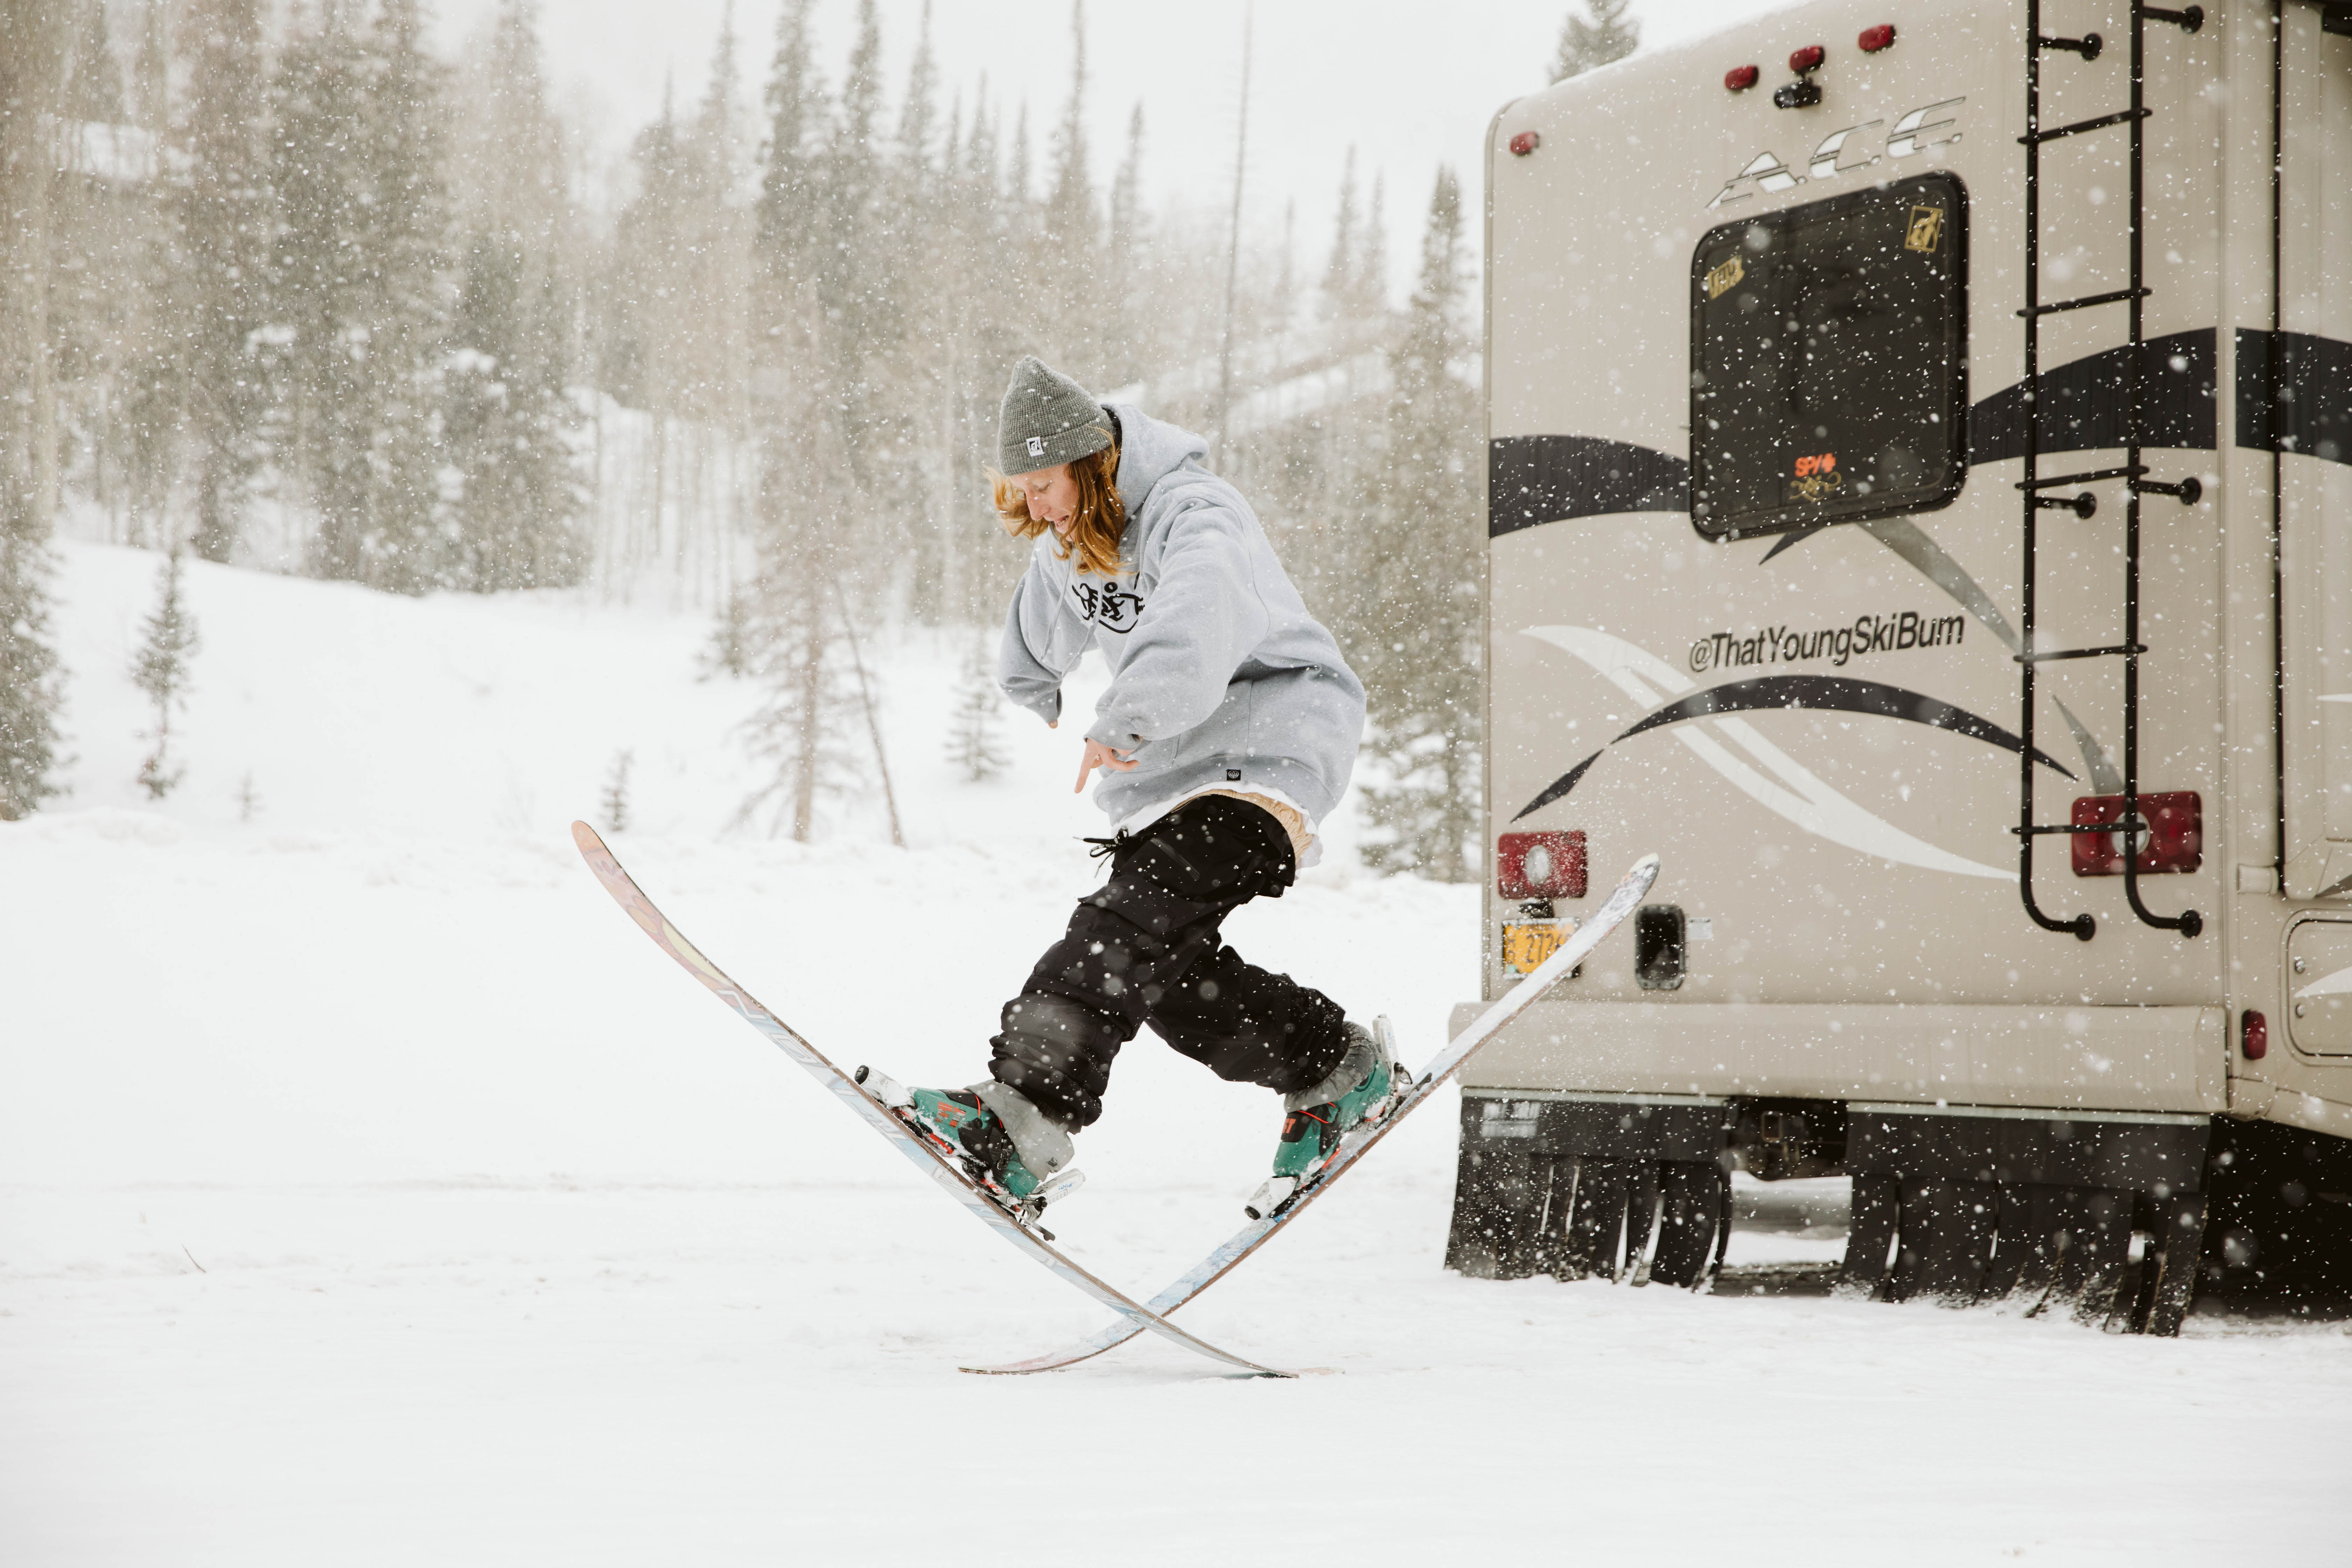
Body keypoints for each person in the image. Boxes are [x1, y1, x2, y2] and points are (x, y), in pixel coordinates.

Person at [876, 356, 1396, 1221]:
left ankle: (1020, 1118)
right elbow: (1046, 608)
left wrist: (1126, 715)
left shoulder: (1197, 516)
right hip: (1178, 777)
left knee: (1124, 927)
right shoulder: (1078, 536)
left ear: (1094, 462)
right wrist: (1030, 678)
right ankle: (1332, 1069)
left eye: (1045, 485)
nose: (1038, 507)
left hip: (1270, 751)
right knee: (1165, 981)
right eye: (1024, 491)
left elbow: (1199, 618)